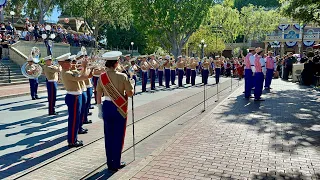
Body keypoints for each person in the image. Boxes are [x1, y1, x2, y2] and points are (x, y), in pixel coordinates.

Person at [96, 51, 134, 172]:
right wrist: (131, 85)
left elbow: (98, 93)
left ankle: (109, 163)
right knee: (118, 135)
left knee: (109, 136)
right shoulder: (122, 76)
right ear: (116, 63)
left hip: (106, 106)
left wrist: (99, 107)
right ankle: (116, 162)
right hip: (119, 108)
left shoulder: (102, 77)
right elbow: (130, 94)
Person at [58, 53, 91, 147]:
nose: (71, 63)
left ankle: (74, 138)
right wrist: (84, 67)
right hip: (74, 97)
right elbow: (83, 77)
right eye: (69, 62)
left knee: (76, 119)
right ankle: (72, 140)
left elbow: (86, 76)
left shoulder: (70, 71)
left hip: (76, 96)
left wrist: (87, 68)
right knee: (74, 120)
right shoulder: (67, 73)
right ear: (63, 64)